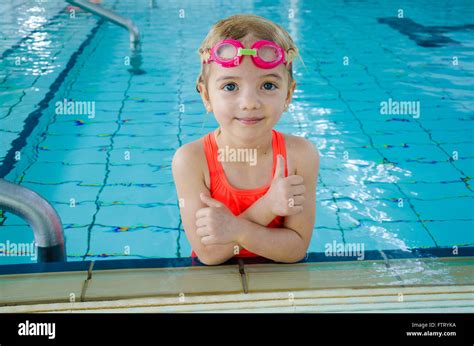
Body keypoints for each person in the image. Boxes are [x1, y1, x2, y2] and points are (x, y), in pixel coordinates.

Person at [172, 14, 320, 265]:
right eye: (230, 86)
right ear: (206, 95)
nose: (250, 103)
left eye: (269, 86)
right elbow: (210, 255)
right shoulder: (191, 160)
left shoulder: (300, 155)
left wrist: (234, 229)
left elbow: (295, 249)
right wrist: (268, 207)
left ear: (289, 94)